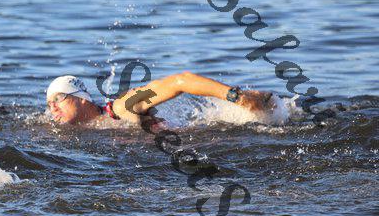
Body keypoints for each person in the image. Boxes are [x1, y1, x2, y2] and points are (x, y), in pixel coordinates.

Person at [46, 72, 275, 125]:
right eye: (49, 104)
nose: (53, 108)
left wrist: (238, 97)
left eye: (59, 98)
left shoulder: (123, 107)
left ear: (82, 99)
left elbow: (180, 82)